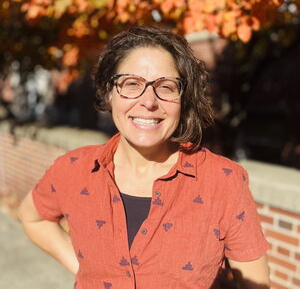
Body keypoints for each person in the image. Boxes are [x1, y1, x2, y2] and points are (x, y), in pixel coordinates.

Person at [18, 26, 270, 289]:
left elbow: (256, 284)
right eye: (132, 84)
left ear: (183, 99)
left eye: (166, 87)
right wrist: (84, 270)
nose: (149, 101)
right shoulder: (74, 169)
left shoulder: (223, 182)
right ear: (110, 92)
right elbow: (33, 216)